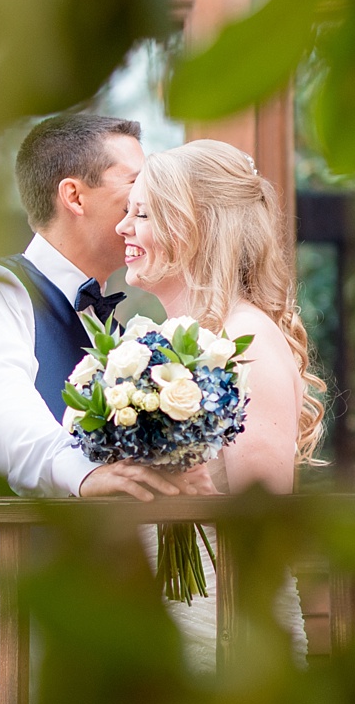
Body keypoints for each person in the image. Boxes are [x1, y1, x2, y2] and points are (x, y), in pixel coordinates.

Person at [0, 113, 213, 704]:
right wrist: (78, 471)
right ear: (73, 195)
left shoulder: (110, 321)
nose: (149, 201)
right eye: (135, 182)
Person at [115, 138, 327, 672]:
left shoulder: (247, 338)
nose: (123, 228)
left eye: (141, 214)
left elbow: (263, 525)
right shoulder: (161, 341)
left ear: (192, 227)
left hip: (225, 627)